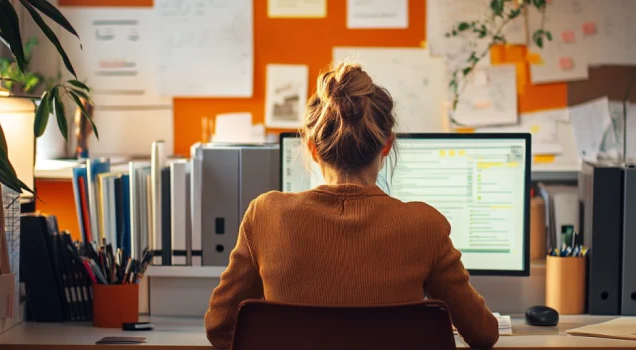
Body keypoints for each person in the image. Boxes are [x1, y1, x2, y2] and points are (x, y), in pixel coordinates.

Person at [204, 62, 499, 349]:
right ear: (387, 145)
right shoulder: (426, 224)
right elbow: (483, 333)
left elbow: (219, 327)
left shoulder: (266, 215)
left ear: (311, 147)